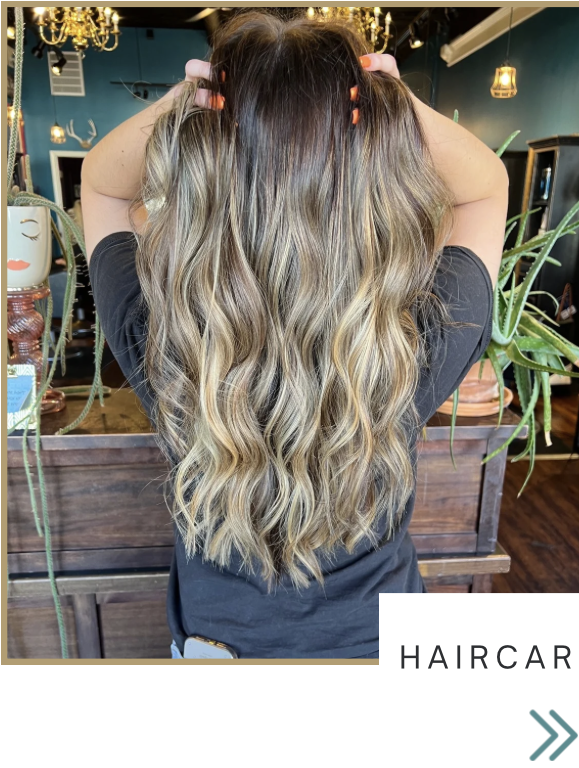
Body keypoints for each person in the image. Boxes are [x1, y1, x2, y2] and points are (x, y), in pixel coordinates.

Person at [81, 12, 508, 659]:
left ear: (207, 189)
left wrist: (182, 108)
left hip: (220, 652)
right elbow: (485, 191)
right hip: (380, 653)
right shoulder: (411, 349)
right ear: (362, 188)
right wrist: (399, 105)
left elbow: (101, 187)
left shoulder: (168, 347)